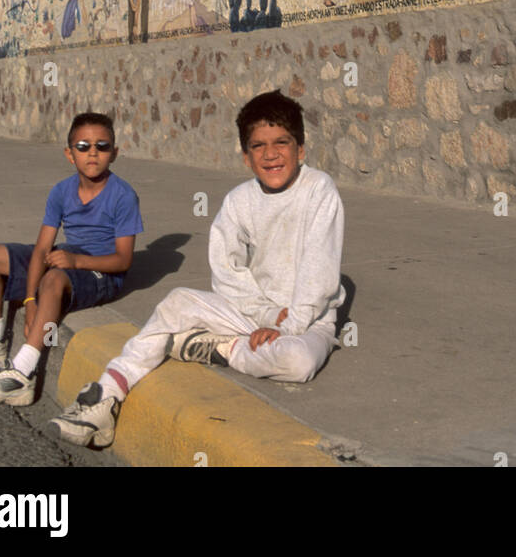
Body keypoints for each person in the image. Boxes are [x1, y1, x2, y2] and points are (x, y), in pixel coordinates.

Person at [48, 90, 344, 449]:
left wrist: (289, 326)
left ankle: (220, 349)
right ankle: (107, 392)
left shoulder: (319, 190)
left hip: (307, 322)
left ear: (300, 149)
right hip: (253, 314)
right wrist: (265, 313)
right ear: (246, 157)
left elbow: (320, 271)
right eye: (258, 146)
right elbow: (226, 271)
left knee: (298, 362)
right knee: (177, 303)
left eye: (282, 143)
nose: (270, 154)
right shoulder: (239, 200)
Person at [0, 112, 143, 407]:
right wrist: (30, 302)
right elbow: (41, 249)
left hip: (100, 271)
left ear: (114, 153)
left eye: (101, 146)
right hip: (66, 257)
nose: (92, 154)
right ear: (69, 154)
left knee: (53, 279)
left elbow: (123, 261)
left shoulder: (123, 195)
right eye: (83, 146)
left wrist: (76, 262)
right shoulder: (61, 191)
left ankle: (22, 373)